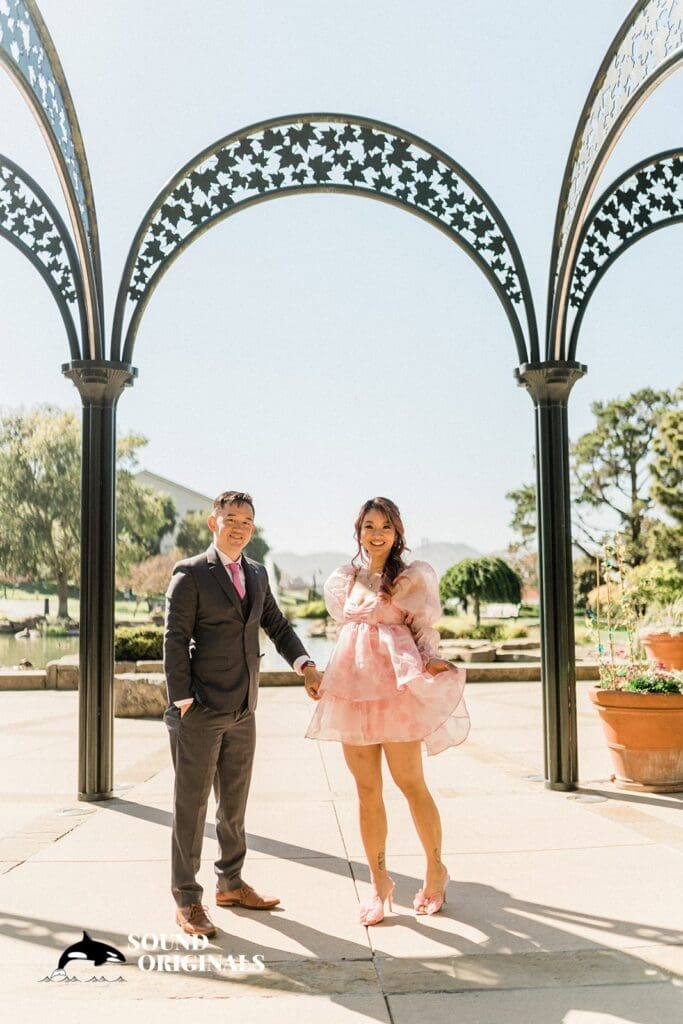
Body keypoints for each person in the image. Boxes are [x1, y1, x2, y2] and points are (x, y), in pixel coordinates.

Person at [164, 490, 323, 937]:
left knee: (233, 806)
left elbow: (276, 624)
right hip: (199, 709)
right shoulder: (190, 573)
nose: (239, 526)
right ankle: (187, 899)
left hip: (243, 708)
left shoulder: (256, 573)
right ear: (213, 523)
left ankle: (230, 883)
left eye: (247, 520)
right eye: (230, 518)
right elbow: (174, 639)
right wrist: (184, 701)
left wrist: (305, 664)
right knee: (190, 807)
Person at [304, 497, 469, 925]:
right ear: (358, 532)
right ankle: (380, 885)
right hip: (352, 693)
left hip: (395, 693)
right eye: (369, 526)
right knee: (366, 791)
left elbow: (423, 630)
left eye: (386, 527)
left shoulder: (410, 578)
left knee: (411, 783)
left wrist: (431, 659)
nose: (377, 534)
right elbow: (350, 633)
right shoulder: (344, 579)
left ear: (397, 534)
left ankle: (436, 871)